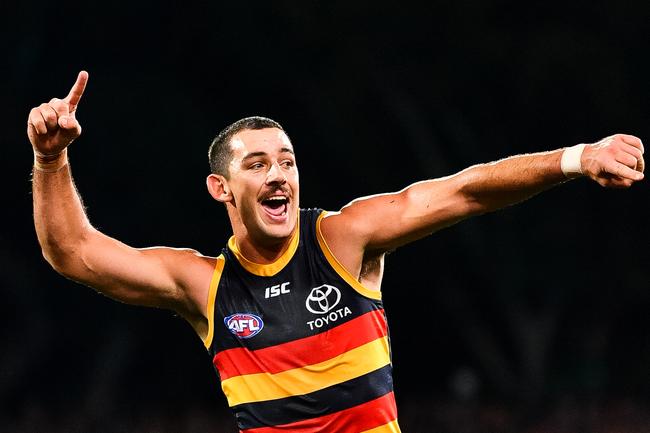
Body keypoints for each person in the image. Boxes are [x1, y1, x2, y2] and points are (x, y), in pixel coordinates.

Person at [28, 71, 644, 433]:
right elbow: (74, 253)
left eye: (288, 162)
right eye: (258, 163)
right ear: (222, 188)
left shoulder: (343, 240)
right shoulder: (205, 285)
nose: (279, 176)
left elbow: (463, 191)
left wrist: (576, 158)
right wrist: (51, 159)